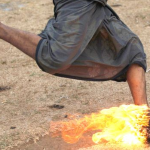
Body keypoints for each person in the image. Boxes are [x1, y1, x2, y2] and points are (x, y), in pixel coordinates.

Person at [0, 0, 148, 106]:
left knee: (131, 51)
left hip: (96, 4)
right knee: (56, 58)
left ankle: (143, 119)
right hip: (79, 2)